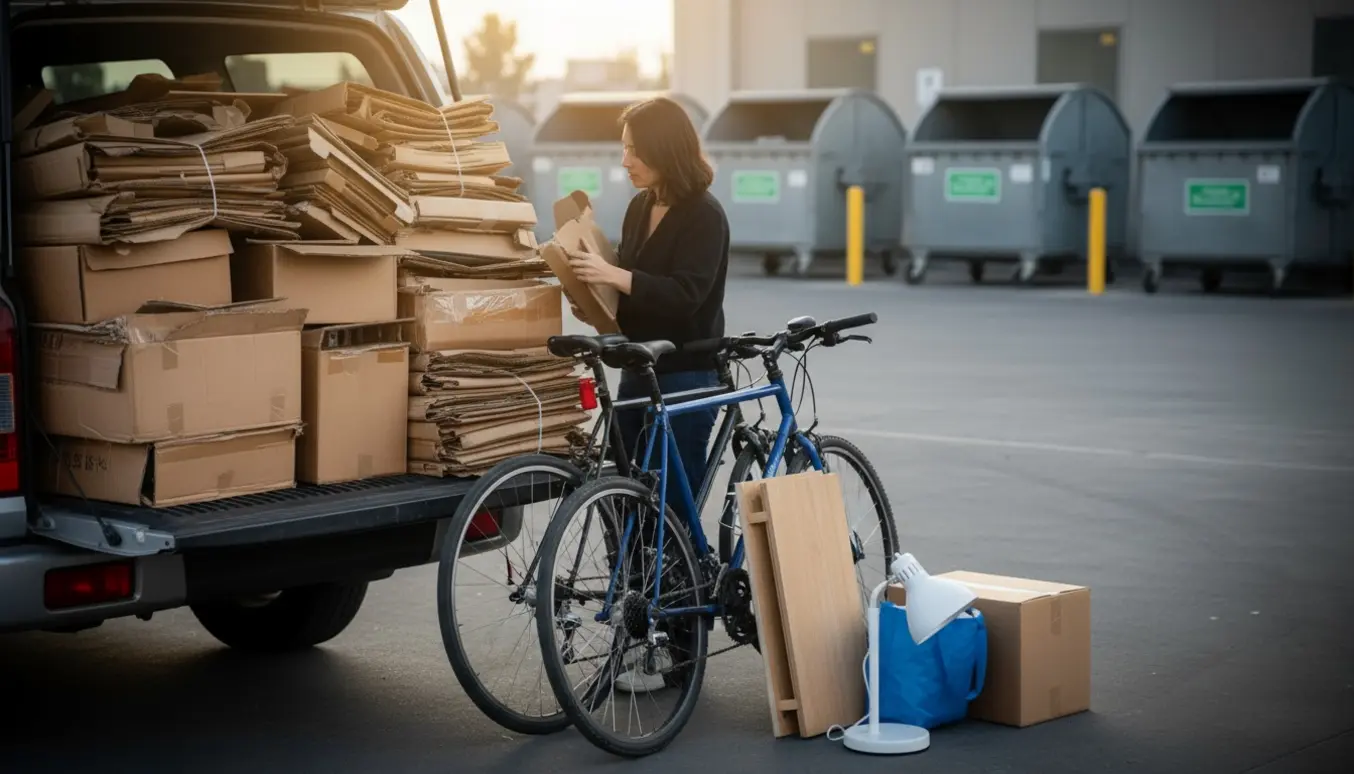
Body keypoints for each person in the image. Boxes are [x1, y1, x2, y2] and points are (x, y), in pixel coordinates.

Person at [566, 96, 730, 507]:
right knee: (623, 498)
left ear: (664, 148)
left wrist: (613, 275)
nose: (625, 160)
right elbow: (632, 287)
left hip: (686, 375)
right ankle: (634, 575)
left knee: (669, 509)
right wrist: (596, 304)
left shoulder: (704, 215)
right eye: (624, 148)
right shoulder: (639, 207)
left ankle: (681, 571)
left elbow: (685, 296)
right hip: (638, 368)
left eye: (634, 150)